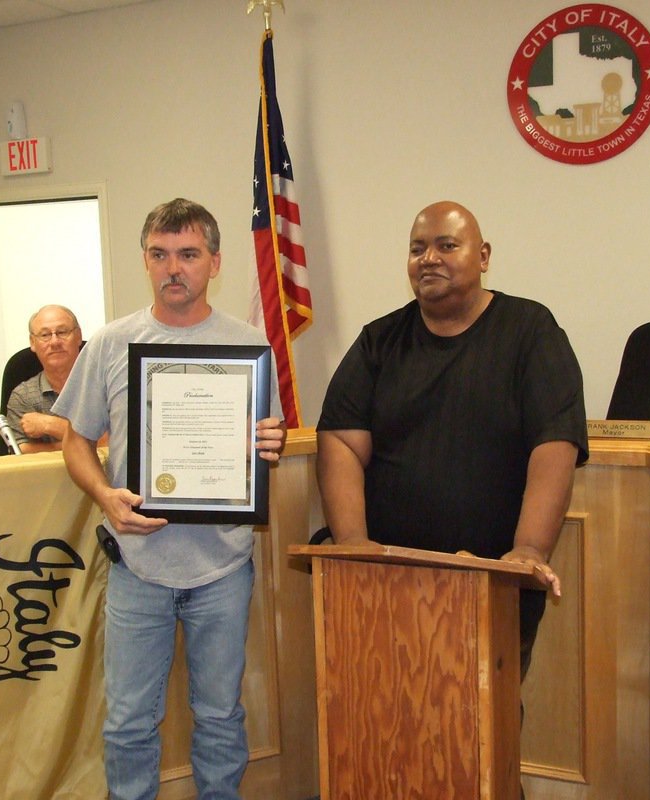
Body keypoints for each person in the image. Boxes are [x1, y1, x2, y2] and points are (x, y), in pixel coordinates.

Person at [53, 198, 285, 800]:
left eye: (188, 254)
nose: (172, 268)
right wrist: (105, 494)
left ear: (215, 262)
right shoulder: (110, 342)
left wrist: (270, 443)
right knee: (128, 722)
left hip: (222, 565)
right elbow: (75, 442)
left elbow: (267, 440)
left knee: (219, 716)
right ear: (145, 261)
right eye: (159, 254)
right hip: (138, 564)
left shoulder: (248, 343)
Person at [316, 200, 588, 678]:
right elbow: (340, 439)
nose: (429, 258)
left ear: (483, 256)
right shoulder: (379, 341)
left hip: (493, 581)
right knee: (385, 712)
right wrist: (354, 543)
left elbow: (555, 443)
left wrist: (529, 548)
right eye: (417, 248)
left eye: (447, 245)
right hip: (389, 580)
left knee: (483, 722)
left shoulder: (530, 331)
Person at [5, 304, 83, 453]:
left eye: (62, 332)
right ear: (33, 343)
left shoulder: (101, 386)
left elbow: (114, 441)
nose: (54, 342)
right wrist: (85, 443)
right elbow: (22, 453)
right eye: (45, 335)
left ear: (78, 336)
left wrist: (49, 424)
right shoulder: (22, 396)